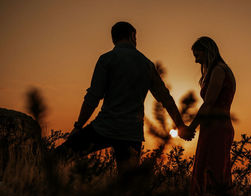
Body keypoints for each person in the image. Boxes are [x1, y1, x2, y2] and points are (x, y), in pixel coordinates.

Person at [56, 21, 192, 174]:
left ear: (114, 38)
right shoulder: (147, 64)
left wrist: (78, 126)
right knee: (128, 186)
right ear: (132, 35)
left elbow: (93, 97)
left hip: (104, 127)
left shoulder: (107, 59)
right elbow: (165, 99)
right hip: (131, 133)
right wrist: (180, 125)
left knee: (56, 158)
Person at [179, 36, 236, 196]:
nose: (196, 61)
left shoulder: (219, 70)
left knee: (213, 172)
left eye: (198, 56)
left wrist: (191, 127)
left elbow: (209, 103)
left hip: (217, 128)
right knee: (208, 171)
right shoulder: (217, 71)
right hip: (211, 128)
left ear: (207, 52)